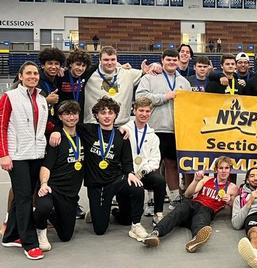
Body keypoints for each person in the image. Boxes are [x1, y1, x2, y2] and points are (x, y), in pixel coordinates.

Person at [71, 97, 147, 239]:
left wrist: (130, 173)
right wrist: (56, 131)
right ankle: (97, 212)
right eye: (103, 113)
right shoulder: (87, 130)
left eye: (110, 113)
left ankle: (136, 225)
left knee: (137, 188)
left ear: (115, 115)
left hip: (115, 180)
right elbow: (67, 124)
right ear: (96, 115)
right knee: (99, 230)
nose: (107, 116)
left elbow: (127, 159)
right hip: (96, 184)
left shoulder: (121, 135)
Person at [0, 61, 48, 260]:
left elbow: (43, 125)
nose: (32, 76)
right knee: (24, 198)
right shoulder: (9, 97)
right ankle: (29, 242)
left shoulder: (42, 98)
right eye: (28, 73)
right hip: (17, 156)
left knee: (25, 195)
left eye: (35, 73)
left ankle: (10, 235)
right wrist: (3, 154)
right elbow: (1, 127)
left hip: (36, 154)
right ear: (20, 76)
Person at [142, 157, 238, 251]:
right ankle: (155, 233)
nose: (224, 171)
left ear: (230, 170)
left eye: (226, 168)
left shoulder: (232, 187)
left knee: (201, 218)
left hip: (207, 209)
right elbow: (188, 194)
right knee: (177, 211)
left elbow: (235, 206)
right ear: (216, 169)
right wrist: (196, 180)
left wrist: (230, 200)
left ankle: (196, 239)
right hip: (193, 204)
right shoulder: (206, 180)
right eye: (221, 168)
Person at [136, 49, 191, 204]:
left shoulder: (184, 83)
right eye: (169, 60)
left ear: (179, 61)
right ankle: (150, 200)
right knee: (152, 165)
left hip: (175, 130)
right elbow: (140, 97)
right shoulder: (150, 77)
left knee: (172, 164)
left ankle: (174, 197)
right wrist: (164, 97)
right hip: (155, 128)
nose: (172, 62)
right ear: (162, 60)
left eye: (175, 60)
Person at [33, 100, 85, 251]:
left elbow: (105, 127)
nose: (71, 117)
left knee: (66, 235)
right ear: (60, 117)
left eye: (74, 113)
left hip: (70, 193)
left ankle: (47, 215)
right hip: (52, 187)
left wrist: (123, 128)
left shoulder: (84, 134)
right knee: (44, 207)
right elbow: (46, 166)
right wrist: (44, 184)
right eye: (67, 114)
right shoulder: (56, 138)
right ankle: (40, 230)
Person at [83, 46, 150, 126]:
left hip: (121, 126)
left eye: (113, 59)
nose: (110, 63)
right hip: (94, 125)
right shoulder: (88, 75)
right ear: (99, 60)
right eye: (106, 60)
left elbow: (148, 71)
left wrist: (155, 65)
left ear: (117, 60)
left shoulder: (128, 73)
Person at [125, 97, 166, 225]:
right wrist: (130, 172)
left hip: (142, 173)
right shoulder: (124, 130)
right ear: (134, 110)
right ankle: (116, 211)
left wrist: (142, 172)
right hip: (127, 174)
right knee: (125, 219)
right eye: (141, 110)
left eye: (147, 111)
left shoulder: (153, 136)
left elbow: (155, 160)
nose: (144, 114)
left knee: (159, 181)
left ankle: (158, 214)